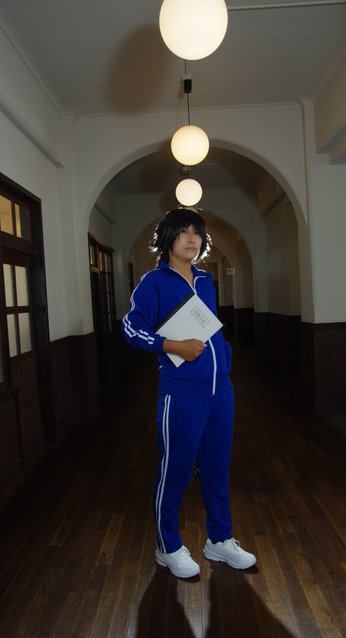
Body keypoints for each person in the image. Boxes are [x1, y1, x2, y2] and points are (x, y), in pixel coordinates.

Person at [122, 208, 256, 578]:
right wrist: (170, 345)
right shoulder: (153, 282)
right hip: (181, 394)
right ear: (168, 238)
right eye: (183, 232)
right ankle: (167, 547)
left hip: (219, 391)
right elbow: (131, 328)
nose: (192, 239)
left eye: (197, 232)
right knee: (176, 470)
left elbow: (211, 332)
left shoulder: (206, 280)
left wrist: (223, 362)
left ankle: (219, 539)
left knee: (216, 468)